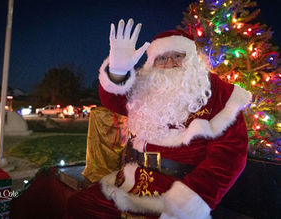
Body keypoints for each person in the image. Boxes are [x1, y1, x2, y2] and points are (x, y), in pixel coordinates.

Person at [67, 18, 251, 219]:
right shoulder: (147, 87)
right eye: (162, 58)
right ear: (153, 63)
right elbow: (113, 100)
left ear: (191, 58)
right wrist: (117, 71)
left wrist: (186, 204)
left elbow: (228, 158)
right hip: (128, 179)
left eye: (177, 56)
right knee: (78, 206)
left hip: (174, 189)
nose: (170, 62)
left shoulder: (219, 95)